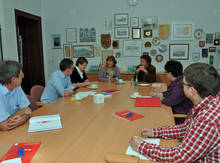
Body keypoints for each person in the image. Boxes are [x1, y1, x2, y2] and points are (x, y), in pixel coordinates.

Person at [130, 63, 220, 162]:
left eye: (183, 84)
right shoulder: (208, 103)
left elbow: (180, 157)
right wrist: (155, 132)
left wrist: (142, 146)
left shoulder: (207, 119)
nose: (181, 86)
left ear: (192, 91)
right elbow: (187, 128)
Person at [0, 60, 32, 131]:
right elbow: (4, 126)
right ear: (13, 79)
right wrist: (22, 112)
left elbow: (28, 110)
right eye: (21, 75)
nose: (23, 76)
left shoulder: (17, 87)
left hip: (13, 131)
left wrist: (23, 119)